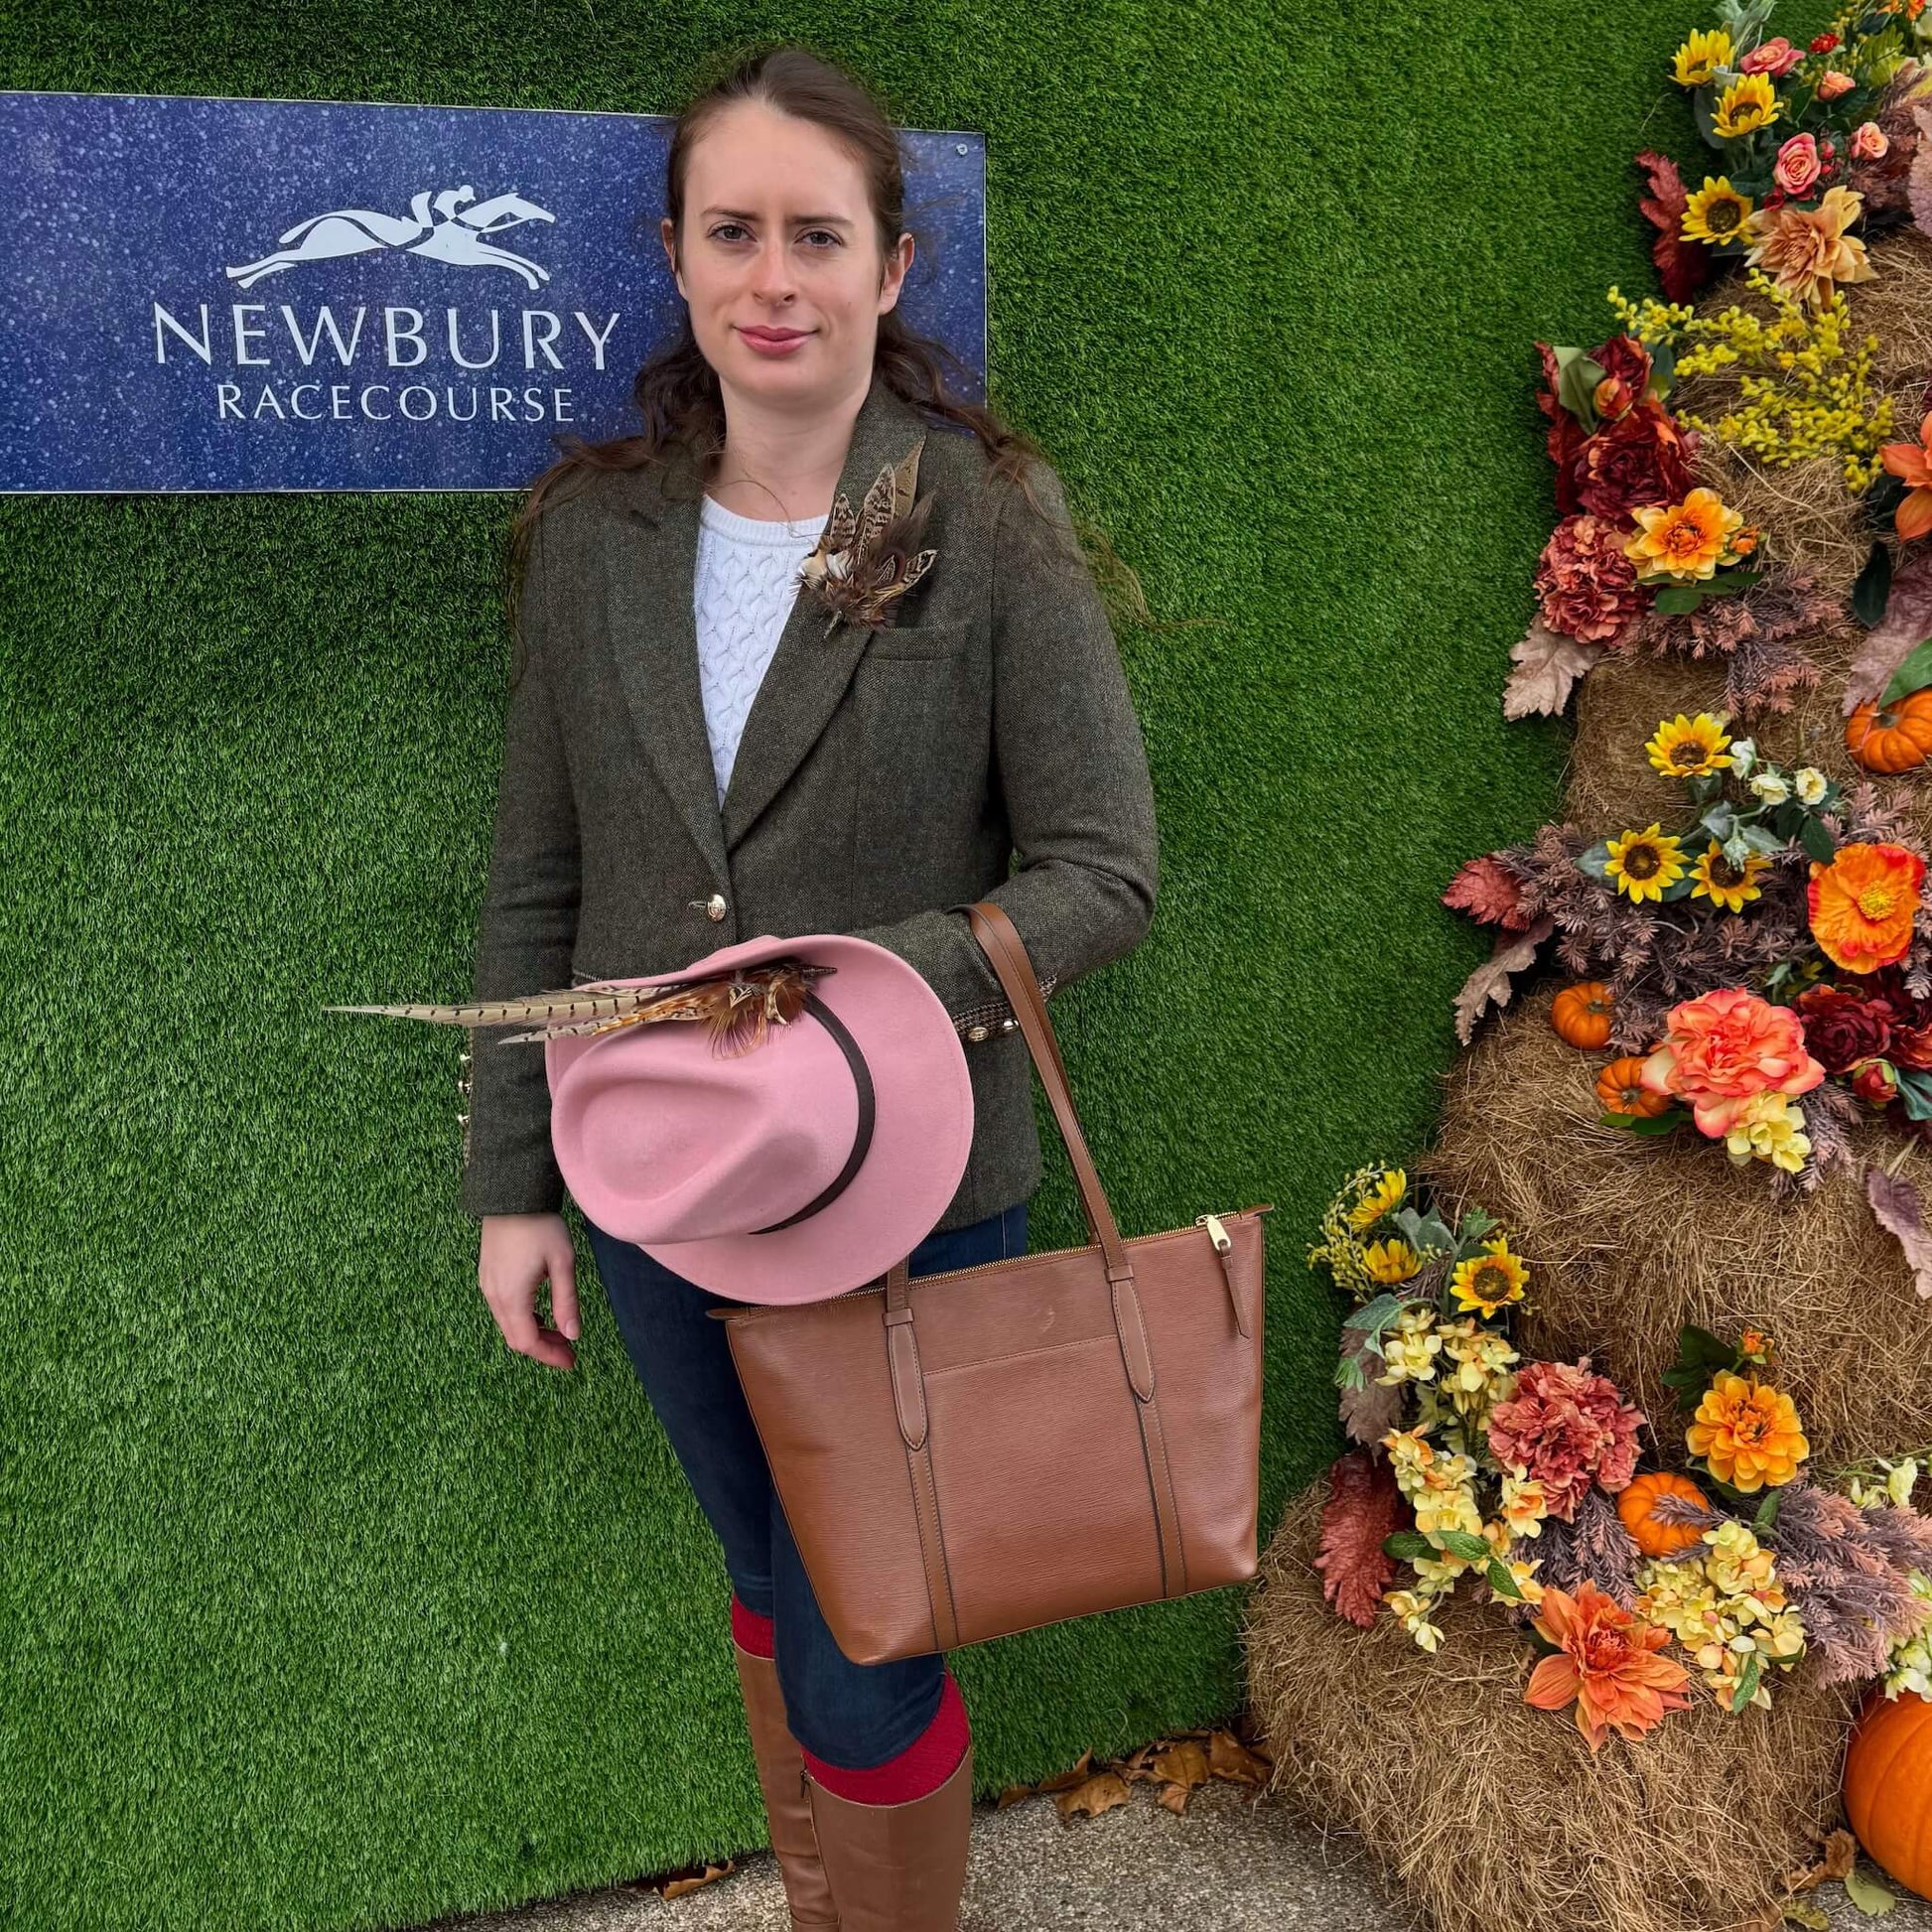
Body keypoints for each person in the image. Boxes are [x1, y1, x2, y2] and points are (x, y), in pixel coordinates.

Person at [460, 42, 1160, 1932]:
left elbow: (1104, 871)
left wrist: (853, 987)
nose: (774, 276)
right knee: (772, 1584)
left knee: (868, 1631)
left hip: (907, 1189)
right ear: (678, 259)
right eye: (733, 231)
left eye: (816, 235)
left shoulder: (977, 521)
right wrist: (513, 1183)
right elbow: (543, 873)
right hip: (654, 1182)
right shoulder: (598, 535)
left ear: (893, 268)